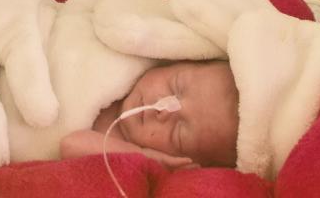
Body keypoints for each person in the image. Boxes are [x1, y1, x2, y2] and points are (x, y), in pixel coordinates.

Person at [59, 60, 239, 170]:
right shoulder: (133, 58)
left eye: (179, 134)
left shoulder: (120, 143)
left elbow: (70, 144)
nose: (164, 109)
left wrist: (142, 156)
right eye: (176, 86)